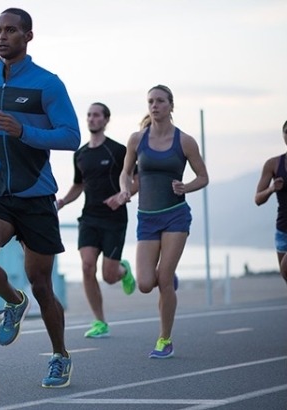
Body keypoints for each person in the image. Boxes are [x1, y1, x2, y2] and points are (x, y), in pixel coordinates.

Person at [0, 8, 80, 388]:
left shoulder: (48, 84)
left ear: (28, 36)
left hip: (36, 194)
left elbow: (70, 136)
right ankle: (14, 302)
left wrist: (23, 132)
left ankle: (60, 355)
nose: (2, 36)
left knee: (42, 285)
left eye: (11, 30)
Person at [116, 84, 208, 359]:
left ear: (170, 106)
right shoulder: (136, 139)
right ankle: (167, 273)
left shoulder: (185, 141)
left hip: (175, 215)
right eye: (150, 102)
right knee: (146, 284)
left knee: (163, 279)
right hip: (147, 218)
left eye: (160, 101)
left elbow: (203, 177)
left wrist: (185, 187)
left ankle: (164, 339)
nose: (154, 106)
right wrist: (124, 190)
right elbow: (125, 173)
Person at [56, 102, 138, 339]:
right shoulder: (80, 154)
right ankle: (100, 322)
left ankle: (123, 270)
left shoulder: (118, 150)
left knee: (109, 276)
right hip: (89, 218)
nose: (92, 119)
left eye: (96, 115)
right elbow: (78, 185)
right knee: (87, 266)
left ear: (106, 120)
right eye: (89, 115)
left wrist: (122, 197)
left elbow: (138, 180)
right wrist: (63, 201)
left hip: (114, 219)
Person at [254, 120, 287, 285]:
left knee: (285, 268)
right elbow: (258, 199)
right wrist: (272, 189)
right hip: (282, 229)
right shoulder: (273, 164)